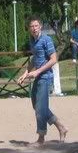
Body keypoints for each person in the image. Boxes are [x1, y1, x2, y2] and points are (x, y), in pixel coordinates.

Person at [18, 16, 68, 145]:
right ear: (29, 29)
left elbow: (53, 59)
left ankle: (41, 138)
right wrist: (25, 73)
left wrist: (37, 71)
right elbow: (35, 59)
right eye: (31, 26)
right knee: (37, 106)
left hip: (45, 77)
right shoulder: (32, 41)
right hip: (38, 77)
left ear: (40, 26)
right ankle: (61, 127)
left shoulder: (47, 40)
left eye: (36, 26)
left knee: (40, 109)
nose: (34, 28)